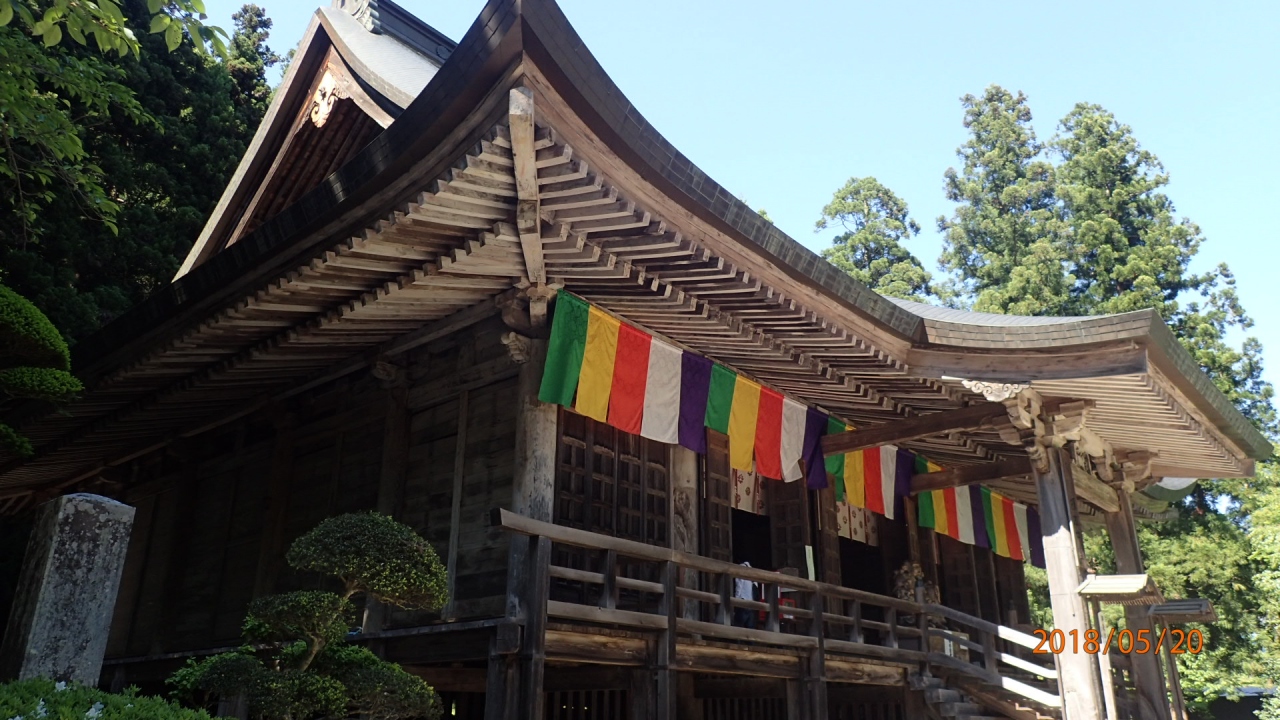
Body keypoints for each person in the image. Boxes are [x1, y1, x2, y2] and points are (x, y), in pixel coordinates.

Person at [732, 561, 758, 629]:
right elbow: (755, 586)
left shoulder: (740, 568)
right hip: (751, 603)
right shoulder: (752, 571)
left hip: (743, 600)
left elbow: (739, 586)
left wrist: (736, 600)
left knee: (738, 626)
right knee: (750, 627)